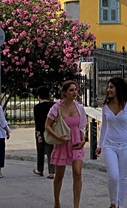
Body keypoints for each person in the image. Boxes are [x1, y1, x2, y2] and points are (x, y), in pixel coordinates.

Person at [96, 77, 127, 208]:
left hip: (125, 146)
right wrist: (99, 145)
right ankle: (112, 202)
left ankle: (120, 205)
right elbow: (104, 126)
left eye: (111, 87)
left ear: (118, 89)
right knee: (113, 176)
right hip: (109, 145)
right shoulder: (105, 107)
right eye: (108, 87)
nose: (108, 90)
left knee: (122, 177)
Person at [45, 80, 87, 208]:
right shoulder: (57, 107)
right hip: (62, 143)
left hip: (76, 144)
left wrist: (83, 140)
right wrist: (58, 137)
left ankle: (76, 205)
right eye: (71, 90)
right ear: (64, 93)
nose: (74, 92)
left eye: (76, 90)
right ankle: (57, 201)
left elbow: (83, 127)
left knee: (77, 172)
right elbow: (47, 126)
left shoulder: (79, 107)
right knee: (59, 175)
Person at [33, 86, 55, 178]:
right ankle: (52, 171)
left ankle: (40, 169)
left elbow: (37, 122)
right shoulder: (53, 105)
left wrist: (38, 134)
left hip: (41, 131)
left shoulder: (37, 107)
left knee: (40, 151)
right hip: (51, 130)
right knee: (50, 151)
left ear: (39, 96)